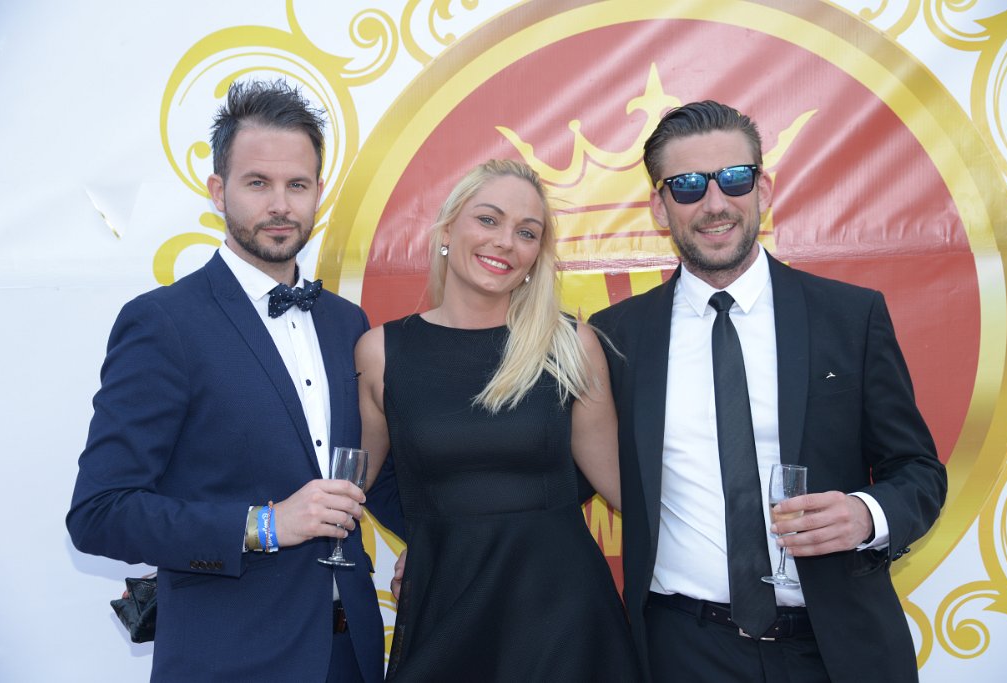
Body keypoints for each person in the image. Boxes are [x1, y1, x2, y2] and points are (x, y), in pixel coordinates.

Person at [589, 101, 947, 683]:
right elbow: (548, 468)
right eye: (687, 186)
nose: (714, 204)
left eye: (734, 178)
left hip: (836, 649)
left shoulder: (849, 317)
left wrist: (866, 514)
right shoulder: (615, 337)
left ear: (764, 188)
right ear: (659, 206)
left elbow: (918, 471)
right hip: (683, 650)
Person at [67, 80, 399, 683]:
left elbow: (373, 473)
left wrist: (445, 546)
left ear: (319, 191)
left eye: (297, 185)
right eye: (257, 183)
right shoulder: (164, 323)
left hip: (350, 655)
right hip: (231, 659)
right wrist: (264, 525)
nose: (280, 205)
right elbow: (100, 512)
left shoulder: (346, 323)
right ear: (218, 191)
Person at [355, 159, 642, 681]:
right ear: (447, 230)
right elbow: (360, 481)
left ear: (536, 256)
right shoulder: (381, 352)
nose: (506, 242)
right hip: (445, 607)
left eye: (526, 232)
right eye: (488, 219)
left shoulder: (569, 345)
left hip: (564, 620)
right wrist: (429, 537)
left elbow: (625, 487)